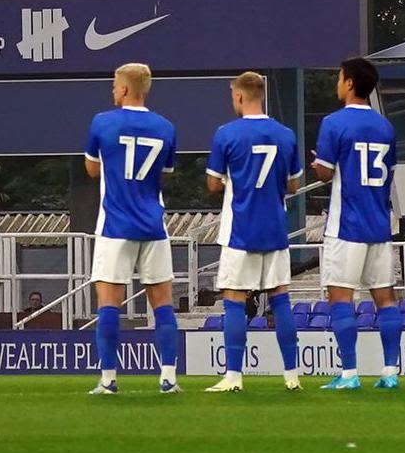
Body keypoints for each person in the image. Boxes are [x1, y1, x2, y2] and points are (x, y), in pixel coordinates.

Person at [81, 60, 180, 395]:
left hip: (115, 224)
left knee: (109, 301)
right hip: (153, 224)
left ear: (124, 89)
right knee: (162, 302)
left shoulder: (102, 122)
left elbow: (92, 170)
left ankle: (109, 379)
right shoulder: (166, 126)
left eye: (114, 84)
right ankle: (168, 378)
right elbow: (165, 174)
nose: (112, 90)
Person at [204, 72, 303, 393]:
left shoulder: (226, 134)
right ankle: (292, 375)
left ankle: (233, 376)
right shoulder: (286, 135)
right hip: (275, 228)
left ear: (240, 97)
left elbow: (213, 183)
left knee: (234, 298)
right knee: (280, 298)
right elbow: (293, 184)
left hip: (240, 230)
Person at [311, 55, 401, 391]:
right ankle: (390, 372)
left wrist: (318, 166)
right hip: (379, 224)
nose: (337, 82)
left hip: (346, 224)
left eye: (338, 77)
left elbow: (325, 171)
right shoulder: (385, 126)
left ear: (349, 82)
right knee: (386, 299)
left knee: (341, 299)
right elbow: (389, 174)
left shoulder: (334, 123)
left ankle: (349, 374)